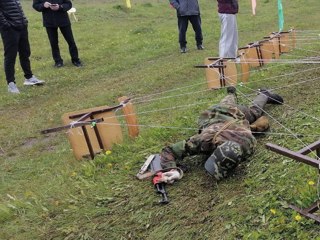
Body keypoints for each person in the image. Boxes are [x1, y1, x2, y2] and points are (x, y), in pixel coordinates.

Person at [157, 87, 284, 183]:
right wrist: (171, 169)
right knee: (249, 111)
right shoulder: (204, 140)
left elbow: (261, 124)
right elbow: (169, 150)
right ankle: (259, 94)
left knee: (246, 110)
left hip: (232, 114)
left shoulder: (248, 142)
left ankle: (238, 93)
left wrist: (257, 125)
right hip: (212, 115)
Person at [0, 0, 45, 94]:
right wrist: (7, 25)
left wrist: (24, 21)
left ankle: (29, 77)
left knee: (25, 52)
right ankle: (11, 84)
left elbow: (17, 8)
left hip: (22, 26)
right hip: (10, 30)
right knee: (10, 56)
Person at [32, 0, 82, 68]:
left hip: (63, 20)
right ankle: (58, 61)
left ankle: (75, 60)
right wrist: (43, 5)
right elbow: (35, 5)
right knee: (53, 43)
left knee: (71, 41)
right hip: (49, 21)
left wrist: (60, 7)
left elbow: (68, 4)